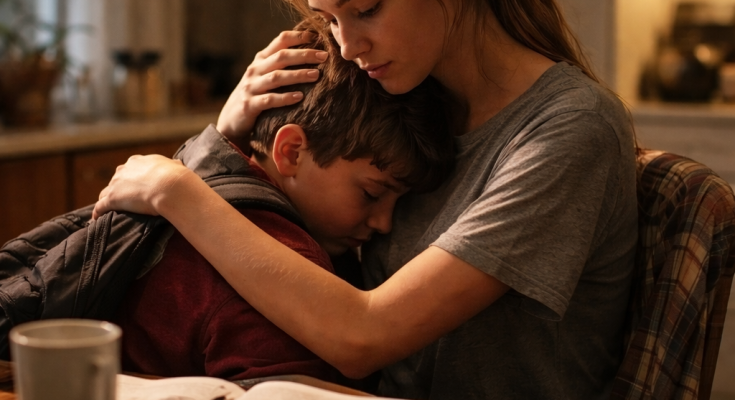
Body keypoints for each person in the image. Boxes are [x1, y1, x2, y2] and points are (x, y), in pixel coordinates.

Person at [94, 1, 639, 399]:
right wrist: (232, 140)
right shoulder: (406, 98)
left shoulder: (570, 129)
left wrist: (178, 188)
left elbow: (363, 336)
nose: (348, 47)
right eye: (329, 18)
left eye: (367, 9)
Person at [110, 24, 454, 382]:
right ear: (291, 151)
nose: (384, 223)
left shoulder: (202, 192)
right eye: (372, 193)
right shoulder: (282, 275)